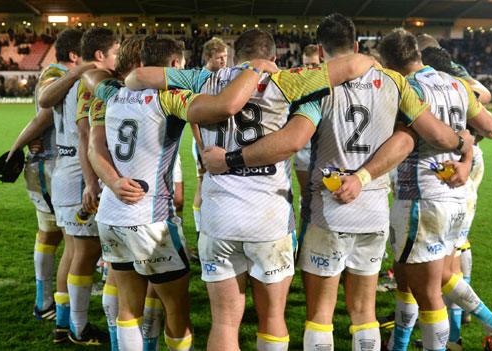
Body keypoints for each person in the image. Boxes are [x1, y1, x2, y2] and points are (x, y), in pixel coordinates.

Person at [200, 14, 475, 351]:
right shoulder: (393, 81)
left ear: (319, 48)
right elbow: (421, 135)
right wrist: (464, 145)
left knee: (320, 315)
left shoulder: (317, 85)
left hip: (327, 210)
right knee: (364, 312)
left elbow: (295, 139)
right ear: (357, 45)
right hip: (372, 209)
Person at [124, 28, 395, 351]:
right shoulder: (289, 81)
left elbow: (137, 76)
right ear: (273, 57)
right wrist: (370, 60)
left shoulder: (202, 79)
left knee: (224, 321)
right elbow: (352, 66)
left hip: (219, 216)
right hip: (268, 218)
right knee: (272, 319)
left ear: (235, 54)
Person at [83, 36, 277, 351]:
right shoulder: (170, 98)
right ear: (175, 65)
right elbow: (223, 107)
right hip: (150, 218)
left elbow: (91, 84)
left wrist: (114, 182)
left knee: (128, 309)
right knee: (176, 310)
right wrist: (255, 70)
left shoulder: (109, 93)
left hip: (110, 215)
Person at [378, 28, 492, 351]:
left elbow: (402, 139)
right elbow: (490, 128)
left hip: (422, 197)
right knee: (425, 283)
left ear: (389, 61)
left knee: (426, 294)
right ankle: (401, 343)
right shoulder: (455, 84)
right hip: (454, 199)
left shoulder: (404, 88)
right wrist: (465, 149)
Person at [37, 27, 119, 346]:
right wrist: (92, 182)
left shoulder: (68, 80)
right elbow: (88, 137)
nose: (118, 58)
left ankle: (63, 323)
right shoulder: (90, 81)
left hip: (63, 174)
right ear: (99, 55)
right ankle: (79, 328)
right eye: (115, 52)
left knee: (73, 252)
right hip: (79, 178)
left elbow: (44, 101)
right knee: (87, 253)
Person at [6, 29, 86, 327]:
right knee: (71, 242)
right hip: (51, 167)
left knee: (50, 236)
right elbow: (43, 114)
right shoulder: (56, 75)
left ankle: (46, 302)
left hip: (47, 166)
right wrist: (17, 147)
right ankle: (61, 312)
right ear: (76, 56)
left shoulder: (57, 73)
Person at [190, 36, 230, 260]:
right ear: (208, 57)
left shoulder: (223, 76)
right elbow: (193, 117)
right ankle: (199, 234)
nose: (224, 61)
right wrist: (199, 144)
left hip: (222, 140)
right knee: (202, 184)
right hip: (205, 142)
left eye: (226, 57)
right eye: (219, 57)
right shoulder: (201, 78)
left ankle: (218, 232)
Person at [294, 44, 321, 205]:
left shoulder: (332, 86)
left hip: (325, 151)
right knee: (305, 194)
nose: (310, 68)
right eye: (306, 65)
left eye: (314, 65)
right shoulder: (297, 87)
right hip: (303, 150)